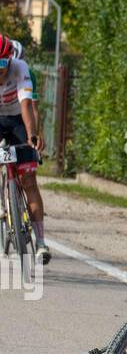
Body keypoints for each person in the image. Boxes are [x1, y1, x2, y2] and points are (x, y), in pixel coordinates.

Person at [0, 34, 49, 261]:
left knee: (29, 180)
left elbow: (27, 104)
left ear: (9, 59)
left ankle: (40, 241)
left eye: (2, 63)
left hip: (18, 117)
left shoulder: (20, 68)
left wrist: (32, 135)